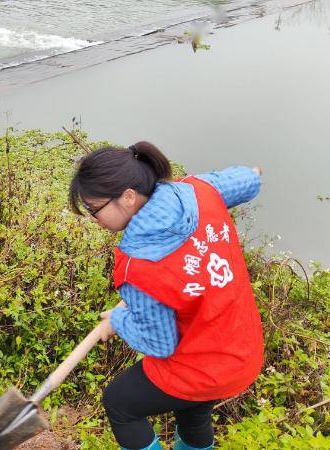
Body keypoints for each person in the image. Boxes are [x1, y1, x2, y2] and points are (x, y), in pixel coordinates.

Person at [69, 142, 264, 450]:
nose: (94, 219)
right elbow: (245, 180)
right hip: (243, 347)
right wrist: (254, 175)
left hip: (205, 363)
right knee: (193, 410)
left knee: (120, 404)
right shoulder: (199, 189)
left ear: (128, 198)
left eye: (94, 210)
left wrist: (119, 319)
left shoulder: (139, 264)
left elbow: (159, 344)